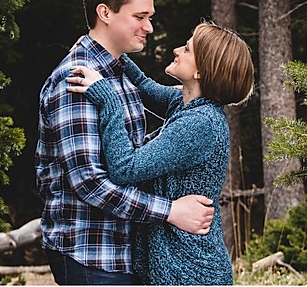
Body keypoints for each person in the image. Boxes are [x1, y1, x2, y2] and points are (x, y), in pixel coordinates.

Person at [37, 0, 217, 285]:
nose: (148, 27)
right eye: (140, 16)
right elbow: (89, 182)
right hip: (90, 253)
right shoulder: (76, 82)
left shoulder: (118, 75)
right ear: (105, 13)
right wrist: (171, 211)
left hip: (124, 253)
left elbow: (132, 152)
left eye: (150, 17)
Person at [67, 22, 254, 285]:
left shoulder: (199, 124)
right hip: (176, 268)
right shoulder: (187, 103)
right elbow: (145, 86)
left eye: (187, 50)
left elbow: (125, 168)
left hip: (189, 273)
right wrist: (110, 51)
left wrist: (108, 100)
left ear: (201, 72)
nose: (177, 50)